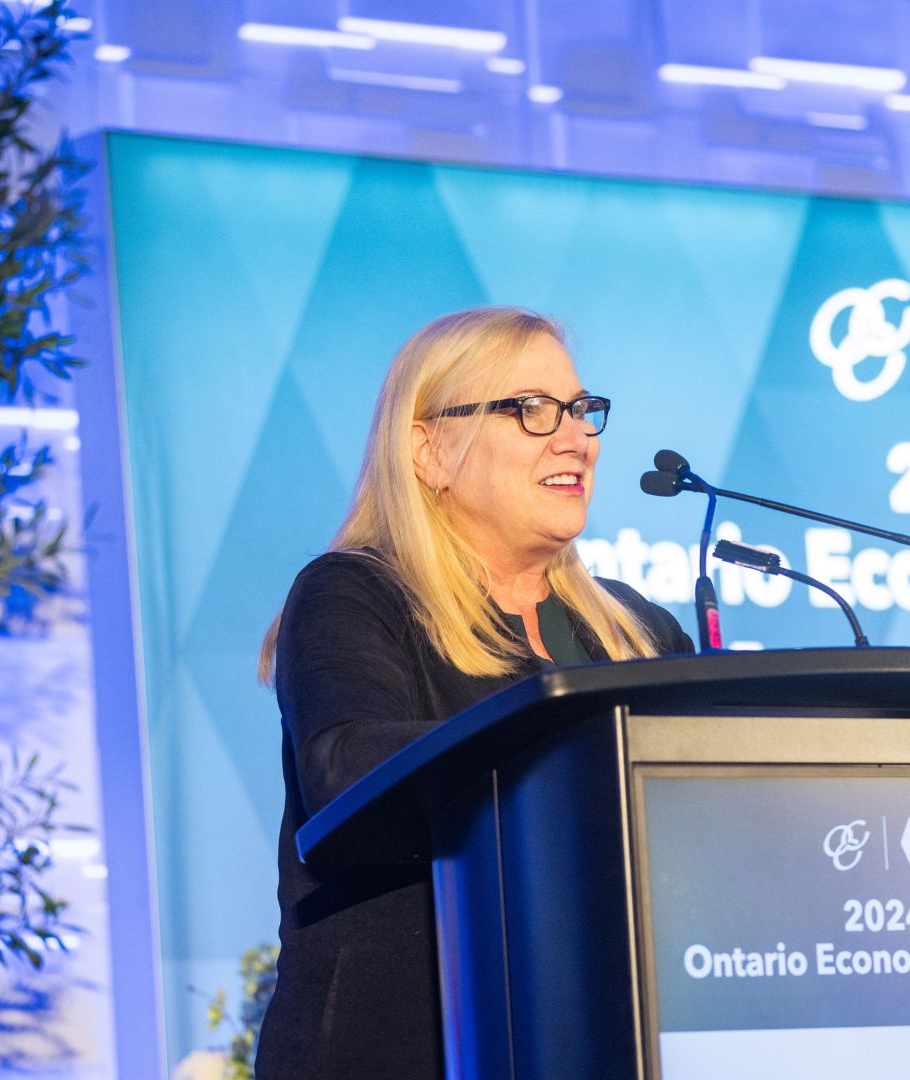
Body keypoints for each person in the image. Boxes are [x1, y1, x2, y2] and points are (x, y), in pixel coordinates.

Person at [251, 307, 694, 1079]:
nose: (576, 438)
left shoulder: (638, 632)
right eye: (531, 411)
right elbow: (346, 768)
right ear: (428, 450)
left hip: (605, 1040)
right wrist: (566, 742)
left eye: (583, 411)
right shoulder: (354, 595)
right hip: (400, 1046)